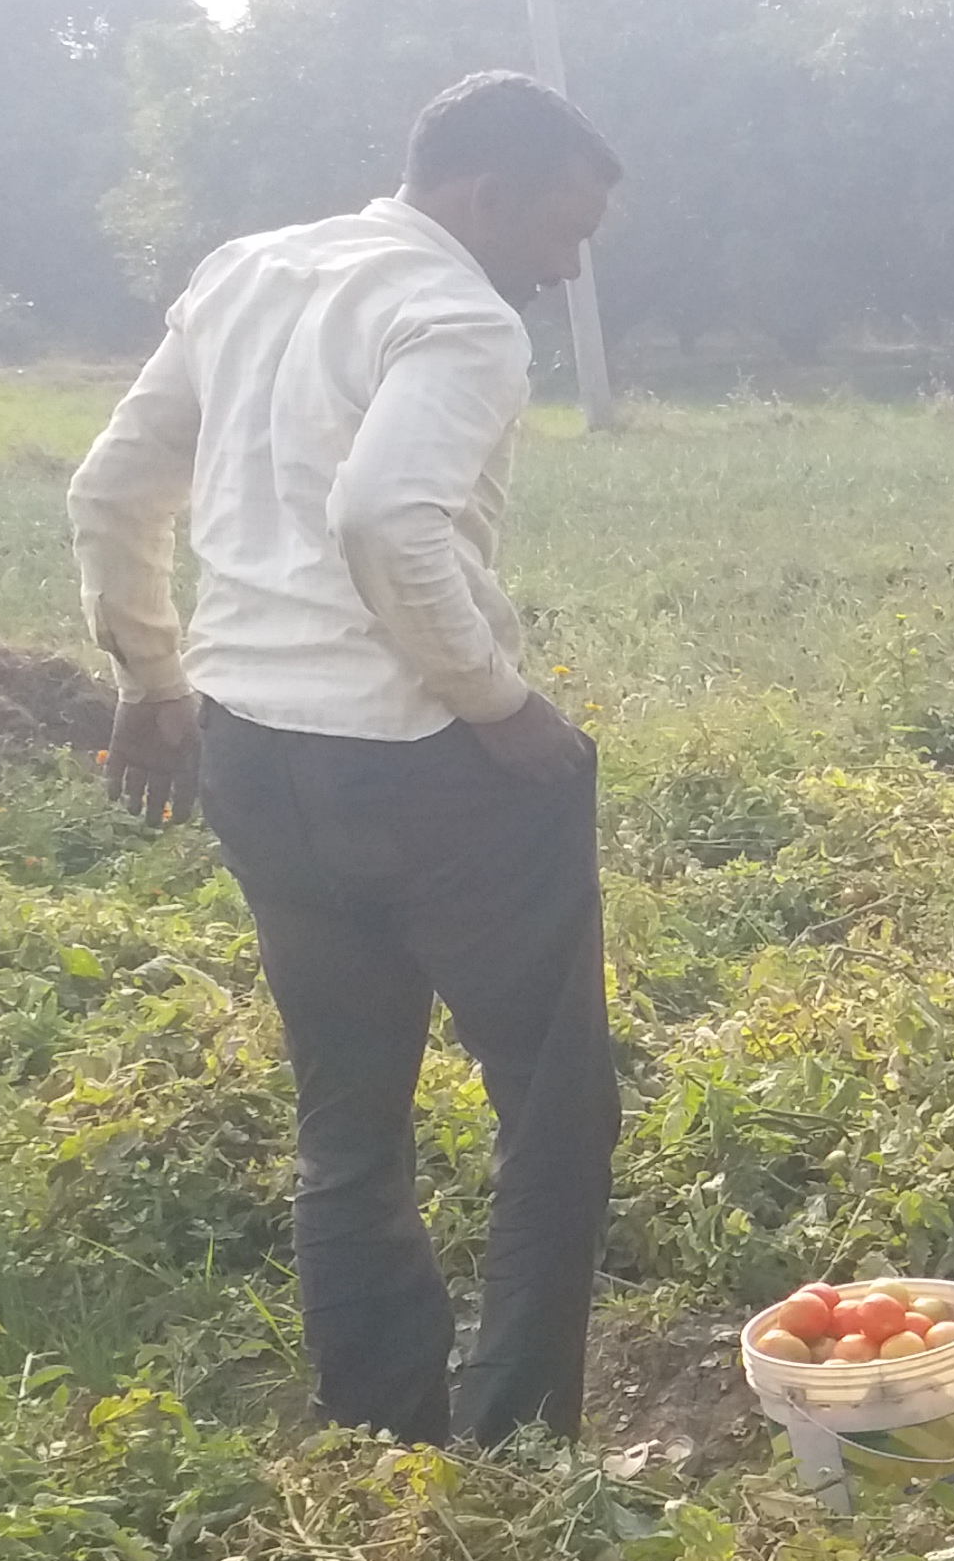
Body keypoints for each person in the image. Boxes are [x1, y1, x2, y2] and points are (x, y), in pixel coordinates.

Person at [66, 72, 623, 1447]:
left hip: (254, 752)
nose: (567, 267)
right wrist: (495, 700)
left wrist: (153, 675)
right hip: (430, 764)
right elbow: (387, 516)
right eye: (564, 228)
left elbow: (108, 490)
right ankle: (517, 1444)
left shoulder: (249, 275)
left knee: (349, 1113)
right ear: (485, 196)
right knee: (554, 1099)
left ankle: (387, 1436)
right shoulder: (457, 312)